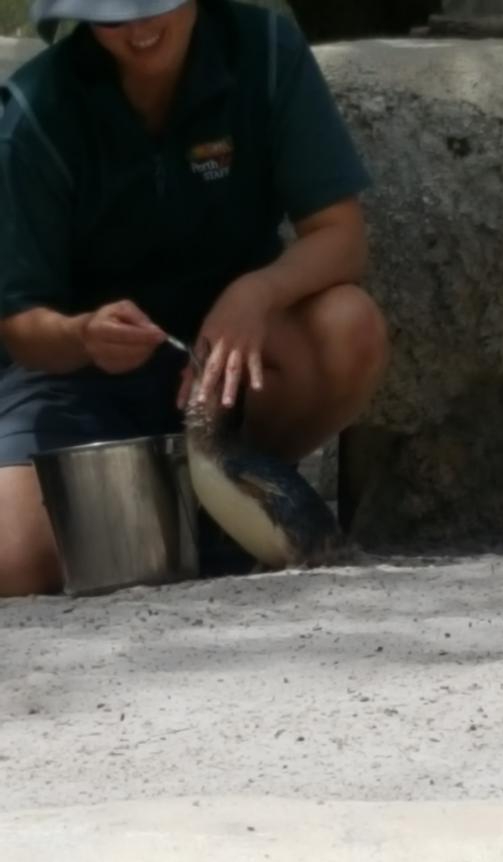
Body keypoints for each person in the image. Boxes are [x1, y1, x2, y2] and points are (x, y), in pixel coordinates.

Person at [0, 0, 389, 597]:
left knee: (349, 328)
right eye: (111, 15)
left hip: (230, 362)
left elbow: (341, 236)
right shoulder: (36, 108)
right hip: (77, 381)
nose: (141, 28)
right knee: (15, 560)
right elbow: (21, 322)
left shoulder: (265, 52)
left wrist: (256, 293)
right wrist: (83, 335)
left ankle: (221, 507)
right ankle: (196, 520)